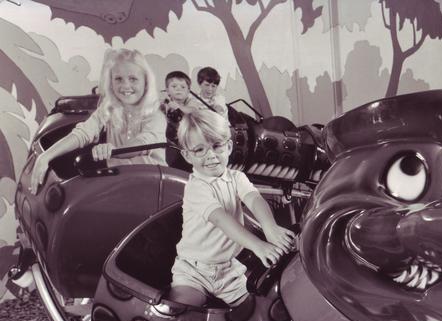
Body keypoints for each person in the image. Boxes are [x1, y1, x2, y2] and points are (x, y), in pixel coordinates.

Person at [169, 109, 293, 307]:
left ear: (228, 147)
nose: (211, 155)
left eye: (216, 146)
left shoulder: (237, 178)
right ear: (187, 155)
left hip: (229, 270)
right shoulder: (196, 187)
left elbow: (255, 199)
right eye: (199, 150)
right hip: (194, 270)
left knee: (259, 309)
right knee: (184, 310)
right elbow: (221, 220)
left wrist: (270, 228)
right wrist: (258, 245)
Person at [30, 48, 166, 193]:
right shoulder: (109, 108)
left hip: (154, 185)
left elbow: (143, 143)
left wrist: (113, 151)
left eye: (133, 79)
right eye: (119, 79)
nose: (126, 85)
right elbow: (83, 133)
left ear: (146, 82)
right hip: (118, 180)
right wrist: (46, 156)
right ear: (111, 83)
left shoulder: (155, 116)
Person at [161, 70, 202, 171]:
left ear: (188, 91)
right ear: (167, 90)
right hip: (170, 140)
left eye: (183, 87)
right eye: (174, 87)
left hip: (188, 138)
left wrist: (178, 107)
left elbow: (193, 110)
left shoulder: (191, 102)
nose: (178, 90)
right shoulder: (164, 103)